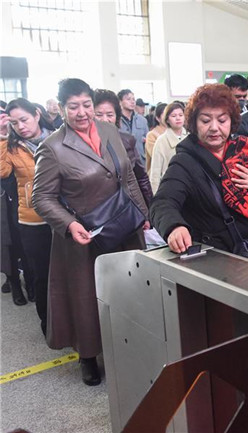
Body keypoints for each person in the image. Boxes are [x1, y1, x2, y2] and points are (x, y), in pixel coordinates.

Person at [33, 78, 148, 386]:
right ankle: (87, 355)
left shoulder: (109, 131)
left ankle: (127, 345)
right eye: (73, 107)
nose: (82, 112)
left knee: (127, 290)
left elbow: (128, 177)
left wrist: (143, 214)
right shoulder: (53, 147)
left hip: (124, 226)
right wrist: (70, 225)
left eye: (87, 105)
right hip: (85, 235)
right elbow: (41, 197)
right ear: (61, 108)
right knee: (86, 298)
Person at [150, 83, 248, 266]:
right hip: (214, 260)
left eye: (222, 120)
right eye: (205, 121)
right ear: (194, 123)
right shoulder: (185, 162)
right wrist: (174, 226)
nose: (214, 127)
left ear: (232, 122)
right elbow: (162, 202)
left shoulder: (245, 152)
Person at [1, 99, 53, 320]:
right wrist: (3, 137)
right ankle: (46, 323)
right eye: (14, 123)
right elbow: (2, 172)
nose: (20, 127)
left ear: (37, 114)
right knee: (41, 274)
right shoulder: (12, 147)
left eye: (24, 119)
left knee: (67, 273)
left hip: (64, 216)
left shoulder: (57, 138)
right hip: (32, 219)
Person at [93, 89, 153, 208]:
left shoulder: (126, 141)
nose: (105, 119)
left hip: (125, 206)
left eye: (110, 115)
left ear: (117, 117)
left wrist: (149, 209)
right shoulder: (82, 145)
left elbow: (141, 178)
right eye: (99, 115)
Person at [149, 101, 188, 193]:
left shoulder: (190, 137)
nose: (178, 118)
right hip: (169, 188)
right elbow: (155, 173)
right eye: (173, 116)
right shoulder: (161, 141)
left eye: (181, 115)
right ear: (167, 120)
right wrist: (156, 195)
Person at [118, 89, 149, 165]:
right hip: (123, 162)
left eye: (133, 99)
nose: (132, 102)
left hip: (140, 161)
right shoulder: (116, 120)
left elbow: (147, 141)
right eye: (128, 99)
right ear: (120, 102)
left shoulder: (142, 120)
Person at [145, 103, 168, 173]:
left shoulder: (178, 133)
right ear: (158, 118)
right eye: (164, 114)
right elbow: (156, 156)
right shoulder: (152, 135)